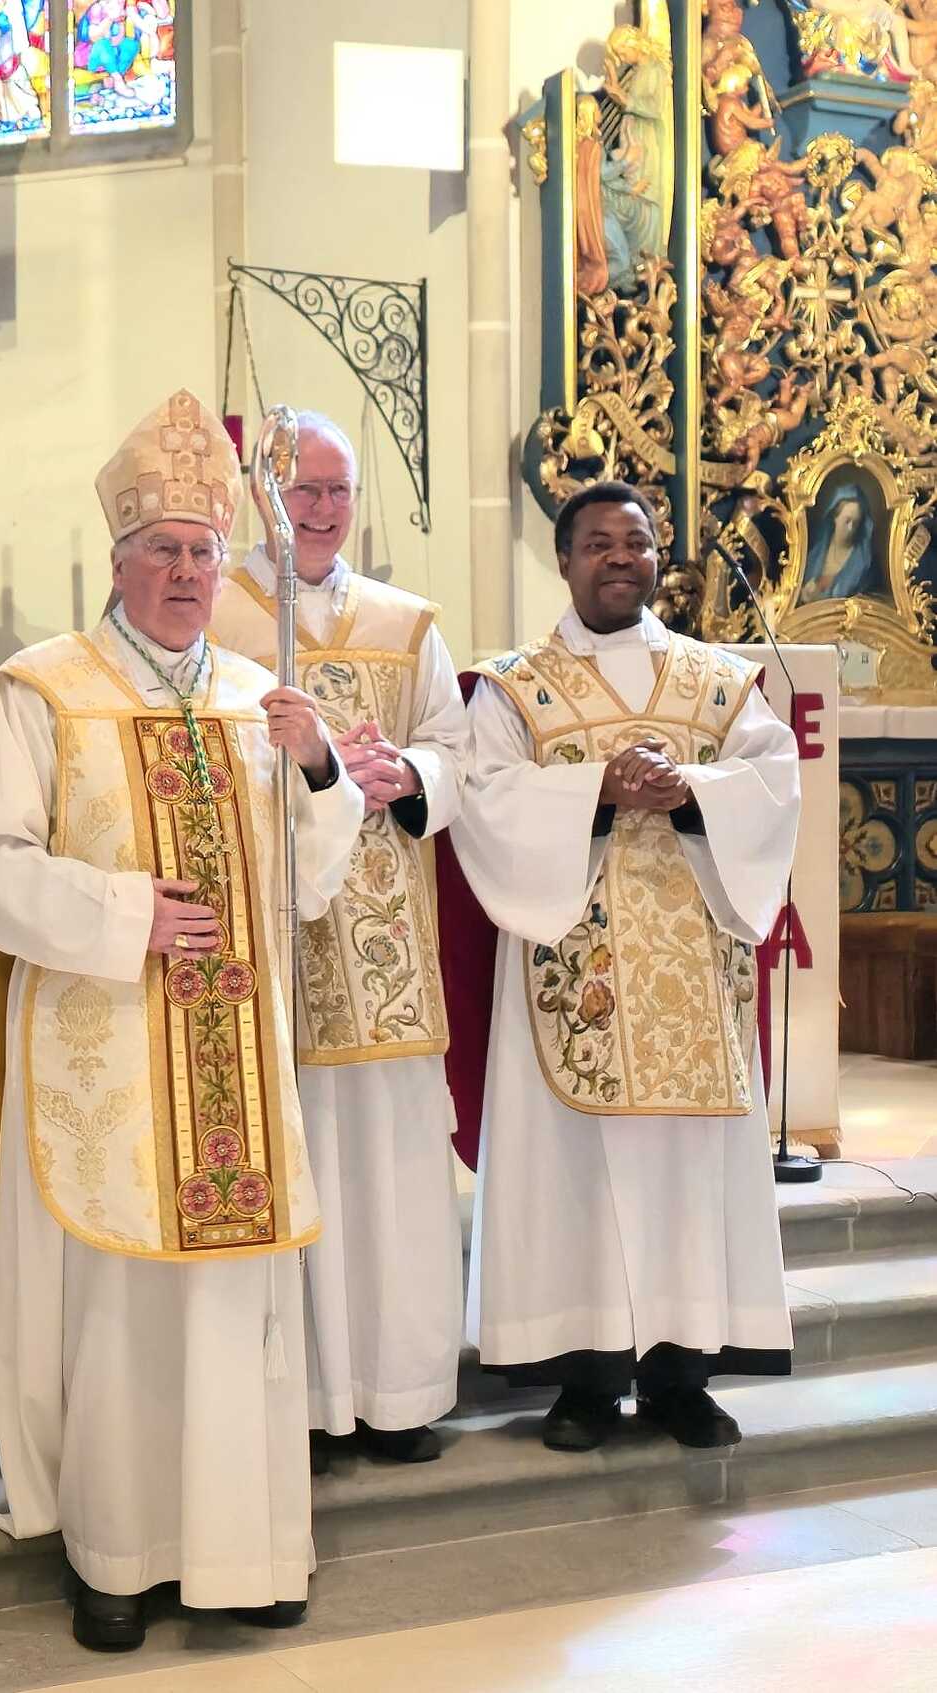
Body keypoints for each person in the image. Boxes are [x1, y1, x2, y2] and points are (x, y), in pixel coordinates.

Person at [0, 389, 365, 1652]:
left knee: (235, 1311)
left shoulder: (259, 696)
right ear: (117, 560)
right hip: (107, 1056)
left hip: (235, 1063)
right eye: (163, 550)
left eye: (203, 552)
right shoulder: (43, 690)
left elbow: (312, 879)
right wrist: (124, 914)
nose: (185, 572)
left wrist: (319, 767)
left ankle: (245, 1552)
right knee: (121, 1317)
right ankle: (116, 1556)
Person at [451, 480, 798, 1453]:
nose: (619, 557)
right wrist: (594, 792)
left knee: (687, 1174)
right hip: (575, 974)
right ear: (563, 560)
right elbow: (484, 797)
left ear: (657, 557)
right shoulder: (515, 687)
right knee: (574, 1173)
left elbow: (773, 782)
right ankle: (586, 1379)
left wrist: (695, 790)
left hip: (693, 973)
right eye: (598, 542)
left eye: (636, 542)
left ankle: (682, 1377)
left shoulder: (717, 682)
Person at [209, 411, 468, 1471]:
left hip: (385, 933)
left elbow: (455, 746)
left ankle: (398, 1392)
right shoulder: (212, 607)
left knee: (390, 1171)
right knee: (297, 1158)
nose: (320, 510)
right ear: (262, 496)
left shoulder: (407, 623)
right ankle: (309, 1404)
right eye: (301, 489)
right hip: (269, 927)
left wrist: (410, 773)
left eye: (337, 490)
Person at [799, 482, 880, 602]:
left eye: (856, 523)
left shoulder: (864, 563)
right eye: (847, 521)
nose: (851, 528)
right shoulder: (816, 548)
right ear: (835, 517)